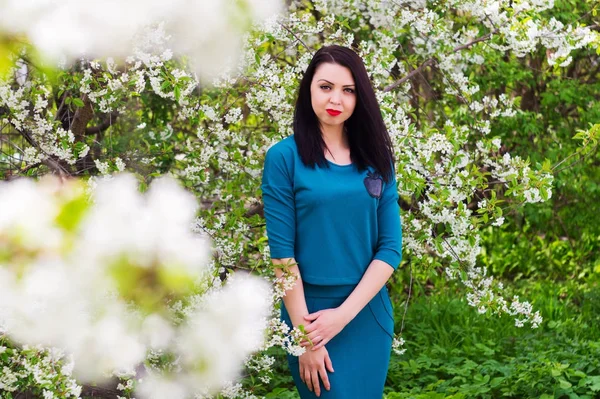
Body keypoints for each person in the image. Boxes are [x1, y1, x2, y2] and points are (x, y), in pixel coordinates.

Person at [261, 45, 402, 398]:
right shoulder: (283, 158)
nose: (335, 98)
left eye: (348, 90)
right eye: (325, 87)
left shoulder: (377, 159)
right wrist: (306, 338)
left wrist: (342, 315)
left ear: (359, 97)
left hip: (366, 313)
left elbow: (390, 248)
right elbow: (282, 256)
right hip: (306, 318)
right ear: (309, 89)